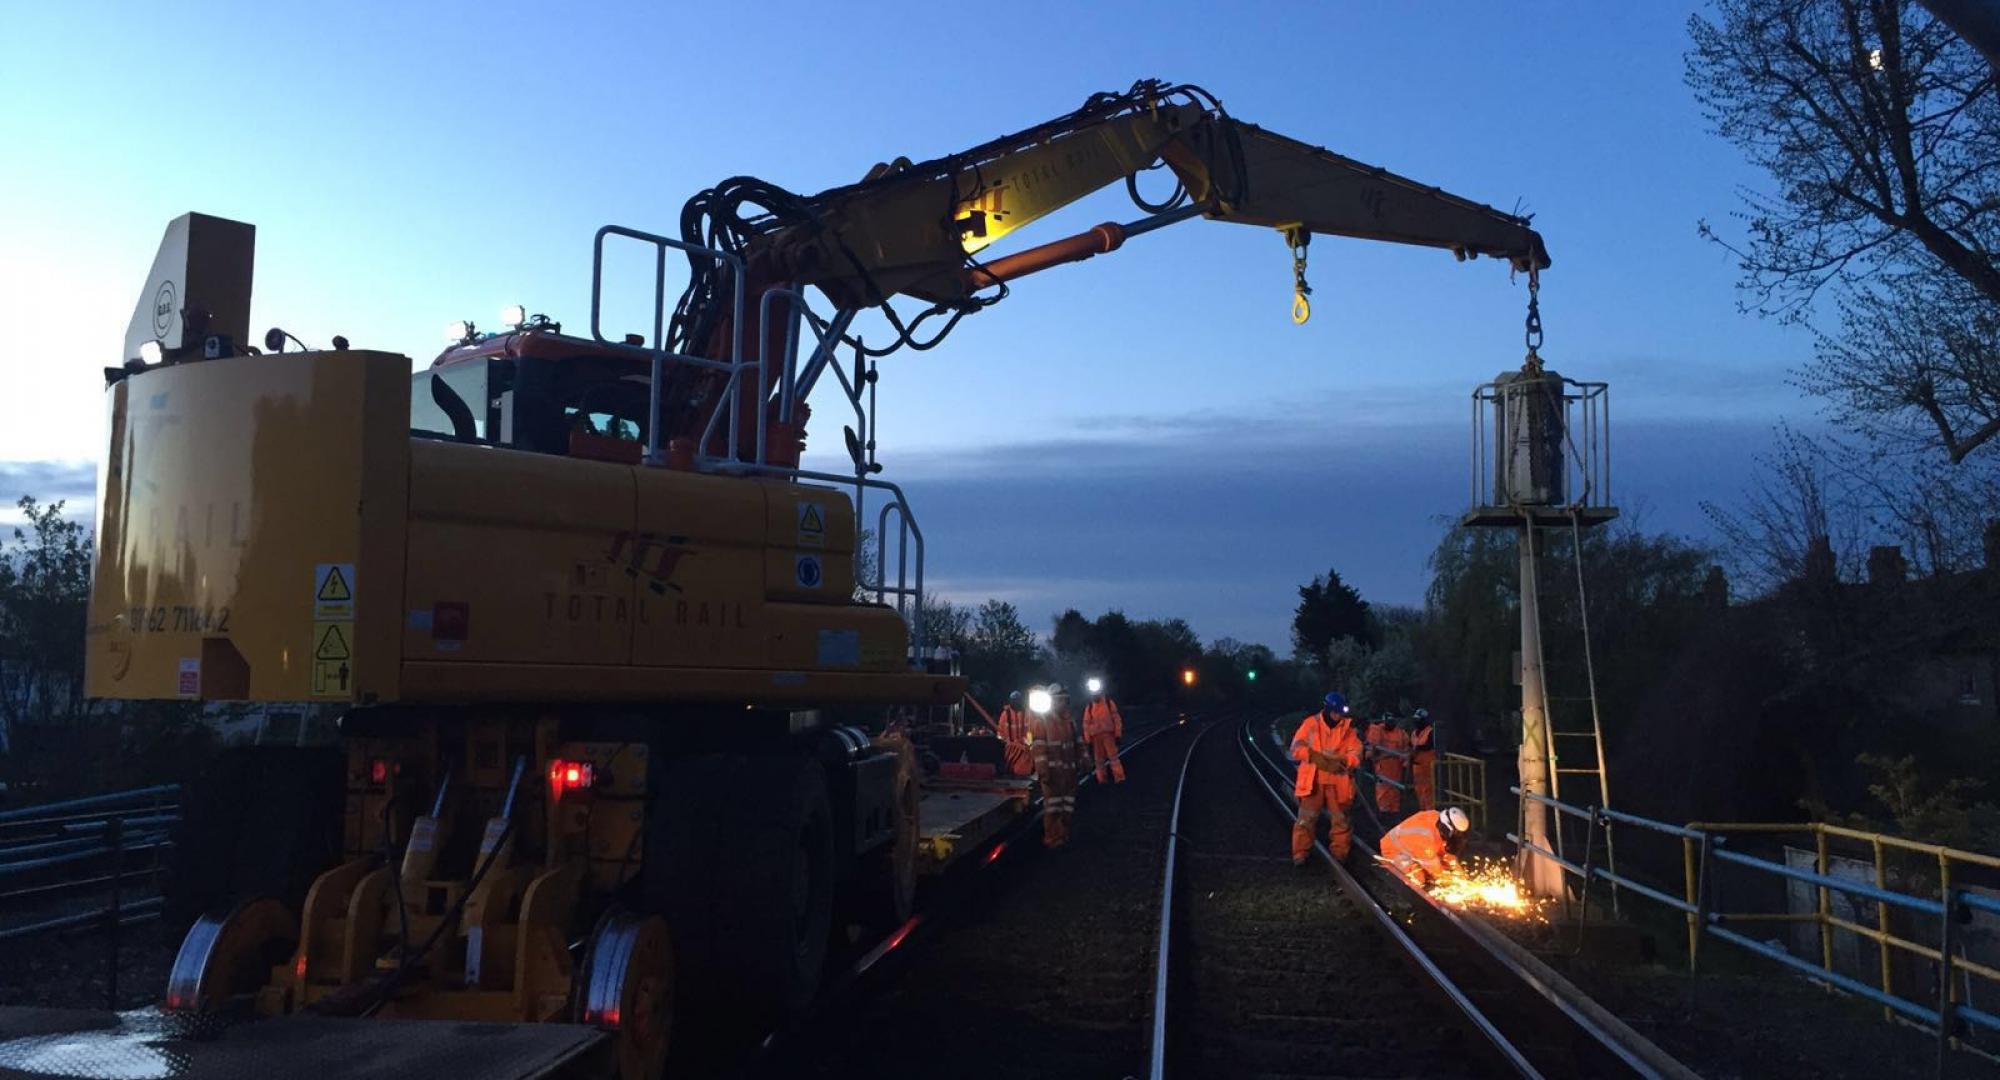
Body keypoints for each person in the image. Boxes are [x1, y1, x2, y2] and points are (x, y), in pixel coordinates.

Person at [1289, 691, 1363, 866]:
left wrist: (1345, 761)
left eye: (1340, 713)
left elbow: (1356, 753)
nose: (1338, 717)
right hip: (1313, 781)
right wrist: (1314, 757)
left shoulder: (1348, 730)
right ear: (1327, 710)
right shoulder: (1310, 724)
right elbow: (1296, 747)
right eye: (1335, 713)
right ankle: (1300, 853)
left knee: (1341, 820)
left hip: (1338, 782)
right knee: (1306, 819)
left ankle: (1340, 854)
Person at [1029, 684, 1082, 849]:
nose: (1063, 704)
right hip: (1052, 776)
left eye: (1065, 701)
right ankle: (1052, 840)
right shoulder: (1042, 722)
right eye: (1060, 701)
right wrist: (1043, 770)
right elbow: (1038, 748)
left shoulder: (1070, 722)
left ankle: (1063, 836)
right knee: (1052, 809)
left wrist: (1085, 760)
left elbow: (1078, 743)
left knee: (1067, 808)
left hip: (1069, 775)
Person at [1379, 807, 1469, 889]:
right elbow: (1437, 872)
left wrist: (1461, 875)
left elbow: (1447, 855)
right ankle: (1402, 900)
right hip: (1394, 851)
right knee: (1418, 879)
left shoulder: (1436, 817)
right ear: (1447, 829)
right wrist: (1455, 884)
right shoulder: (1424, 838)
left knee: (1441, 867)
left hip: (1412, 848)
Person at [1082, 682, 1126, 784]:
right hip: (1096, 738)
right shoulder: (1089, 707)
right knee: (1099, 761)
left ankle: (1119, 777)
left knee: (1113, 758)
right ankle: (1102, 779)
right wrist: (1088, 741)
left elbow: (1116, 719)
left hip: (1108, 736)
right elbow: (1086, 725)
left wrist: (1118, 734)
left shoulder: (1108, 703)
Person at [1375, 715, 1410, 815]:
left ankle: (1395, 810)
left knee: (1395, 789)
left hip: (1396, 765)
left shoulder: (1401, 733)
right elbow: (1373, 745)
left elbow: (1406, 747)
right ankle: (1383, 811)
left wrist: (1405, 760)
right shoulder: (1378, 731)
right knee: (1383, 788)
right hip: (1383, 764)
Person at [996, 691, 1033, 777]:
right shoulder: (1005, 714)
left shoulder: (1028, 713)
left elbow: (1031, 732)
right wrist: (1004, 743)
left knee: (1023, 771)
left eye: (1018, 700)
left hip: (1024, 750)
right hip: (1009, 750)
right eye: (1014, 700)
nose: (1016, 703)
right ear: (1010, 701)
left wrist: (1028, 745)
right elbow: (1000, 732)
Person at [1408, 708, 1437, 811]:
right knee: (1419, 790)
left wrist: (1418, 748)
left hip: (1427, 766)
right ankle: (1422, 811)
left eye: (1419, 720)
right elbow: (1410, 746)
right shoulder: (1414, 733)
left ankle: (1430, 812)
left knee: (1428, 791)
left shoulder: (1430, 731)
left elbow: (1429, 745)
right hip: (1417, 766)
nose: (1417, 722)